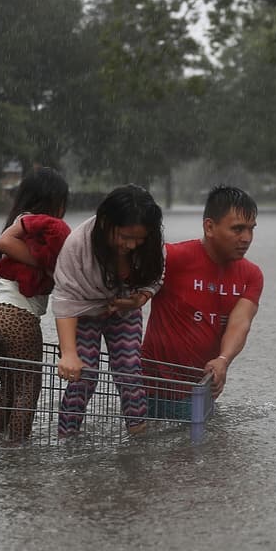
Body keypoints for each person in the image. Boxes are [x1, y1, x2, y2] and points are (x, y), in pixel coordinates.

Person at [51, 184, 164, 437]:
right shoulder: (78, 244)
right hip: (84, 311)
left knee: (130, 369)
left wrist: (139, 299)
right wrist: (69, 354)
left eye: (139, 238)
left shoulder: (151, 244)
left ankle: (138, 436)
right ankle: (66, 439)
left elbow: (156, 275)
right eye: (125, 237)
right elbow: (65, 298)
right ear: (105, 222)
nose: (132, 245)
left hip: (124, 309)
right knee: (84, 375)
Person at [141, 185, 263, 413]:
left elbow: (240, 323)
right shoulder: (172, 257)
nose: (247, 238)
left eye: (251, 229)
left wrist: (223, 360)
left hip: (199, 393)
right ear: (210, 227)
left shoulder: (251, 275)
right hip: (147, 391)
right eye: (237, 229)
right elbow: (131, 294)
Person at [0, 167, 71, 442]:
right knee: (27, 388)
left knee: (9, 387)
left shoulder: (22, 225)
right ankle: (17, 450)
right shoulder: (34, 223)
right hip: (18, 318)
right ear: (52, 201)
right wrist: (47, 265)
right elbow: (17, 250)